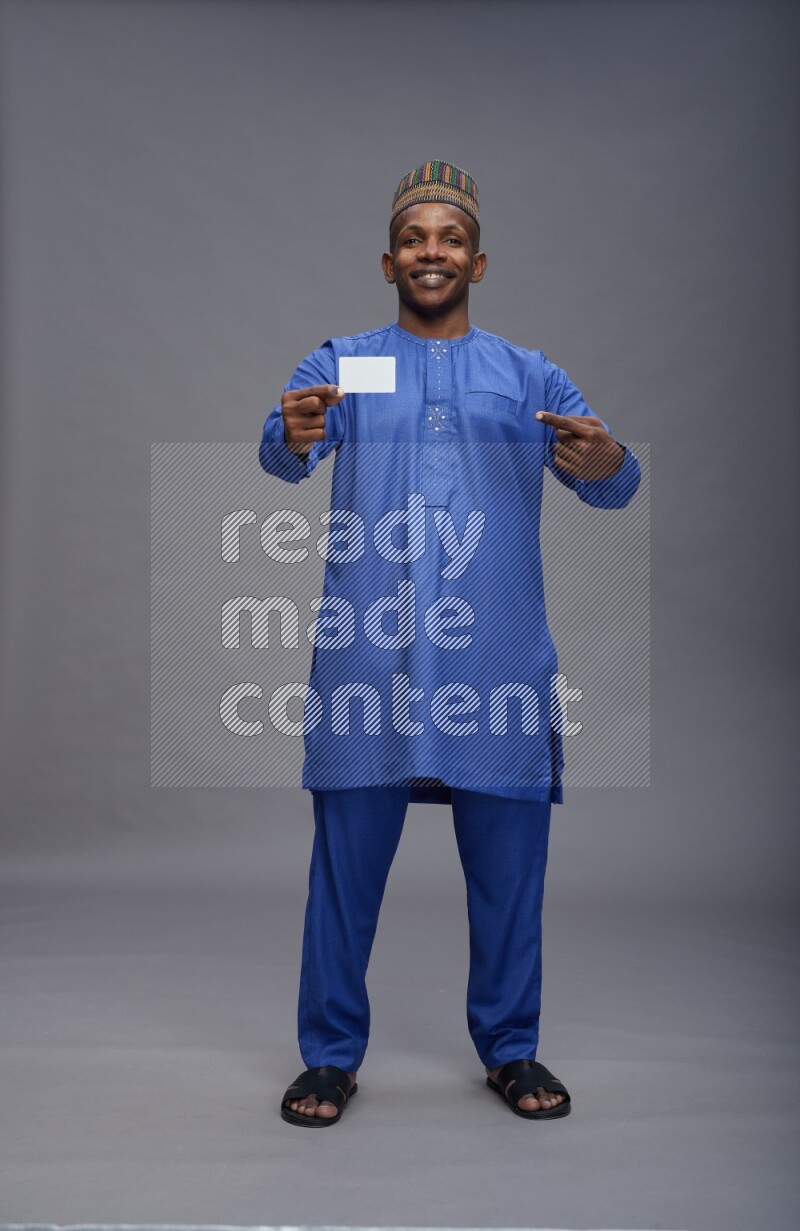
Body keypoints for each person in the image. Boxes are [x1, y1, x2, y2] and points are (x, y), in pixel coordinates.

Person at [258, 160, 641, 1125]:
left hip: (495, 659)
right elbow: (286, 451)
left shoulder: (526, 373)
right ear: (389, 262)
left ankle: (511, 1046)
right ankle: (329, 1056)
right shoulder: (352, 362)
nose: (433, 252)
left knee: (510, 873)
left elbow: (609, 480)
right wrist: (294, 433)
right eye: (415, 238)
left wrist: (612, 460)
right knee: (344, 871)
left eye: (452, 238)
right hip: (371, 658)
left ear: (479, 261)